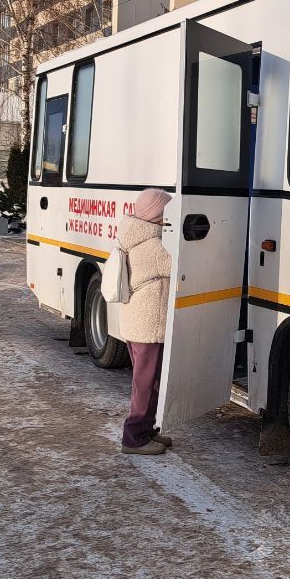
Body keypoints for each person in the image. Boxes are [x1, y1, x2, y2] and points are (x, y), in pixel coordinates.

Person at [117, 188, 173, 456]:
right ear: (156, 216)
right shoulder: (153, 245)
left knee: (148, 383)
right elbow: (183, 267)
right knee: (146, 385)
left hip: (136, 324)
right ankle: (134, 438)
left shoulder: (132, 238)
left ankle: (146, 431)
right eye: (167, 214)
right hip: (148, 327)